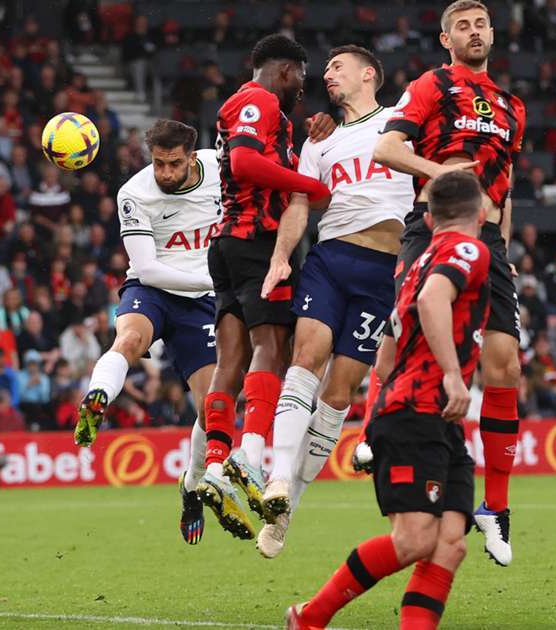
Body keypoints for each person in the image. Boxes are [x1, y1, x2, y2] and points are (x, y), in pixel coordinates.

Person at [287, 170, 491, 630]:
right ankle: (310, 618)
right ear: (480, 212)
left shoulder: (415, 262)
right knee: (414, 540)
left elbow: (385, 357)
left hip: (429, 416)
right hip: (417, 411)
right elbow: (435, 300)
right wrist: (454, 378)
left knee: (450, 542)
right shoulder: (466, 250)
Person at [369, 0, 526, 567]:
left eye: (481, 23)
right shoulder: (433, 85)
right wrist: (446, 176)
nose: (475, 31)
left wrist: (504, 248)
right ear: (445, 39)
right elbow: (386, 148)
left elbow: (504, 187)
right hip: (430, 225)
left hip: (490, 241)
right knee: (400, 343)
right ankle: (371, 434)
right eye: (463, 25)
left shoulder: (512, 106)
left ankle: (497, 507)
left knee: (505, 364)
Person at [255, 45, 412, 558]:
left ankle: (287, 510)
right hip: (330, 260)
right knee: (305, 358)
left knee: (340, 392)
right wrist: (282, 256)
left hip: (384, 272)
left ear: (369, 74)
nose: (327, 74)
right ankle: (278, 478)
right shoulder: (319, 141)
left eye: (337, 66)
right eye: (325, 69)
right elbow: (300, 203)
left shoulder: (402, 120)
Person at [72, 119, 255, 543]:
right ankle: (97, 397)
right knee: (129, 339)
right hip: (154, 288)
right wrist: (217, 283)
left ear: (192, 156)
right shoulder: (135, 193)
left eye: (174, 164)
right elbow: (149, 267)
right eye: (159, 164)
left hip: (203, 303)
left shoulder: (220, 168)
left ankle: (192, 487)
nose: (166, 173)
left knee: (213, 409)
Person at [201, 34, 332, 531]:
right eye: (301, 76)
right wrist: (309, 186)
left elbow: (262, 160)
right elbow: (244, 162)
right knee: (271, 347)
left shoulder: (247, 106)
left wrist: (304, 144)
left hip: (227, 244)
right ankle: (250, 457)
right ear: (284, 70)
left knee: (229, 359)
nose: (304, 87)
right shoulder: (257, 99)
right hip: (258, 243)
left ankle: (216, 464)